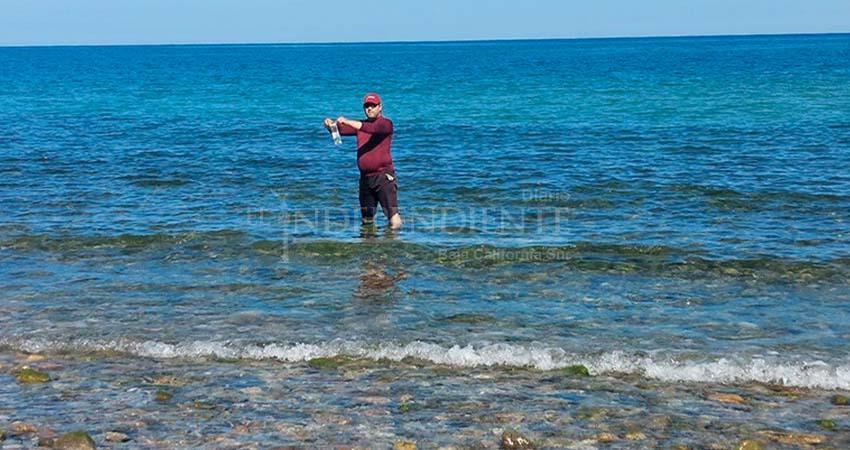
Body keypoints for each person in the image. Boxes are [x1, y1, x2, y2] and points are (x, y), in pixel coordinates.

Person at [323, 93, 402, 230]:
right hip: (365, 179)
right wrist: (329, 125)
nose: (369, 109)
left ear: (380, 107)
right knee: (367, 218)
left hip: (383, 176)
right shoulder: (361, 125)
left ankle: (393, 245)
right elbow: (339, 131)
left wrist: (347, 121)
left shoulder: (386, 124)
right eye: (366, 106)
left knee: (393, 217)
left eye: (373, 105)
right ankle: (368, 245)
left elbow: (370, 128)